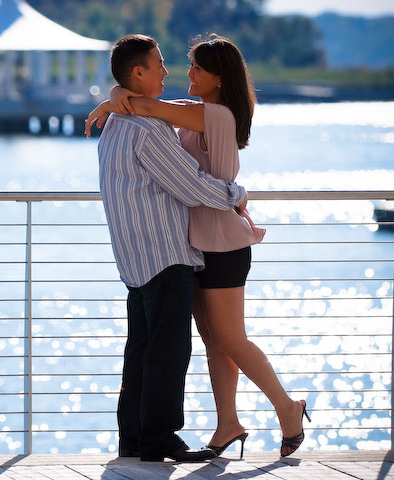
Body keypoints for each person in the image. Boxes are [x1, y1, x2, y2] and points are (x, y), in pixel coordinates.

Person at [86, 34, 310, 458]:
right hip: (192, 243)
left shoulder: (219, 117)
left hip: (221, 241)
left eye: (196, 68)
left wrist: (235, 194)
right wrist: (117, 94)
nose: (183, 74)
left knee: (228, 339)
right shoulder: (190, 113)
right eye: (179, 65)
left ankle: (287, 409)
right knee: (212, 342)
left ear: (219, 78)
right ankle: (228, 421)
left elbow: (147, 107)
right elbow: (143, 102)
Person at [93, 34, 249, 462]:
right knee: (169, 350)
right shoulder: (149, 130)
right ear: (138, 73)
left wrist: (113, 98)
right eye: (159, 65)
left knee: (141, 349)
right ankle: (159, 437)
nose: (168, 72)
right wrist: (236, 193)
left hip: (133, 256)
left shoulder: (115, 125)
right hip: (164, 252)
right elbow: (192, 186)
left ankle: (135, 436)